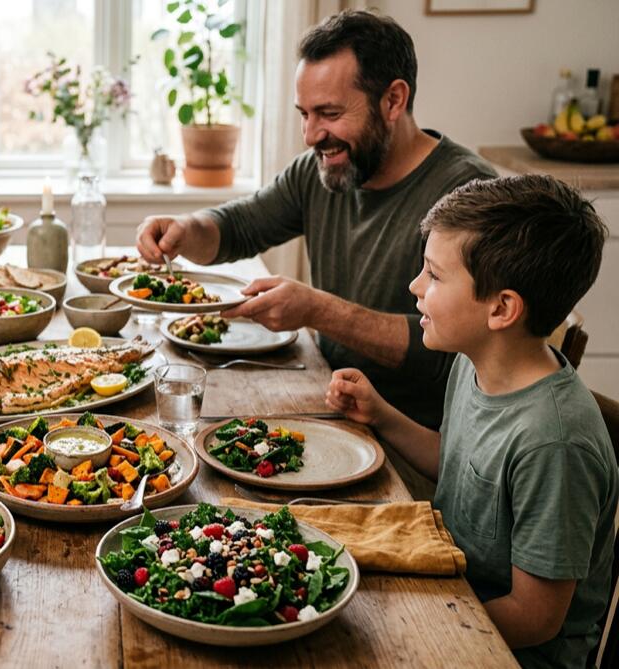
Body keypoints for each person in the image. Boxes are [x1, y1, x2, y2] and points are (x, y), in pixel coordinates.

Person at [136, 10, 497, 429]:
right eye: (304, 114)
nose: (310, 136)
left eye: (328, 113)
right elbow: (239, 226)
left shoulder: (469, 195)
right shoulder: (321, 170)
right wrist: (185, 228)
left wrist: (318, 311)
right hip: (332, 401)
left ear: (393, 100)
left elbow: (452, 358)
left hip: (412, 441)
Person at [326, 175, 614, 668]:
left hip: (504, 649)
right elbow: (459, 465)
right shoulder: (475, 362)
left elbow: (535, 616)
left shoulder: (554, 443)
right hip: (448, 589)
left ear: (501, 309)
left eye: (434, 276)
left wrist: (411, 624)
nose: (415, 286)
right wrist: (382, 416)